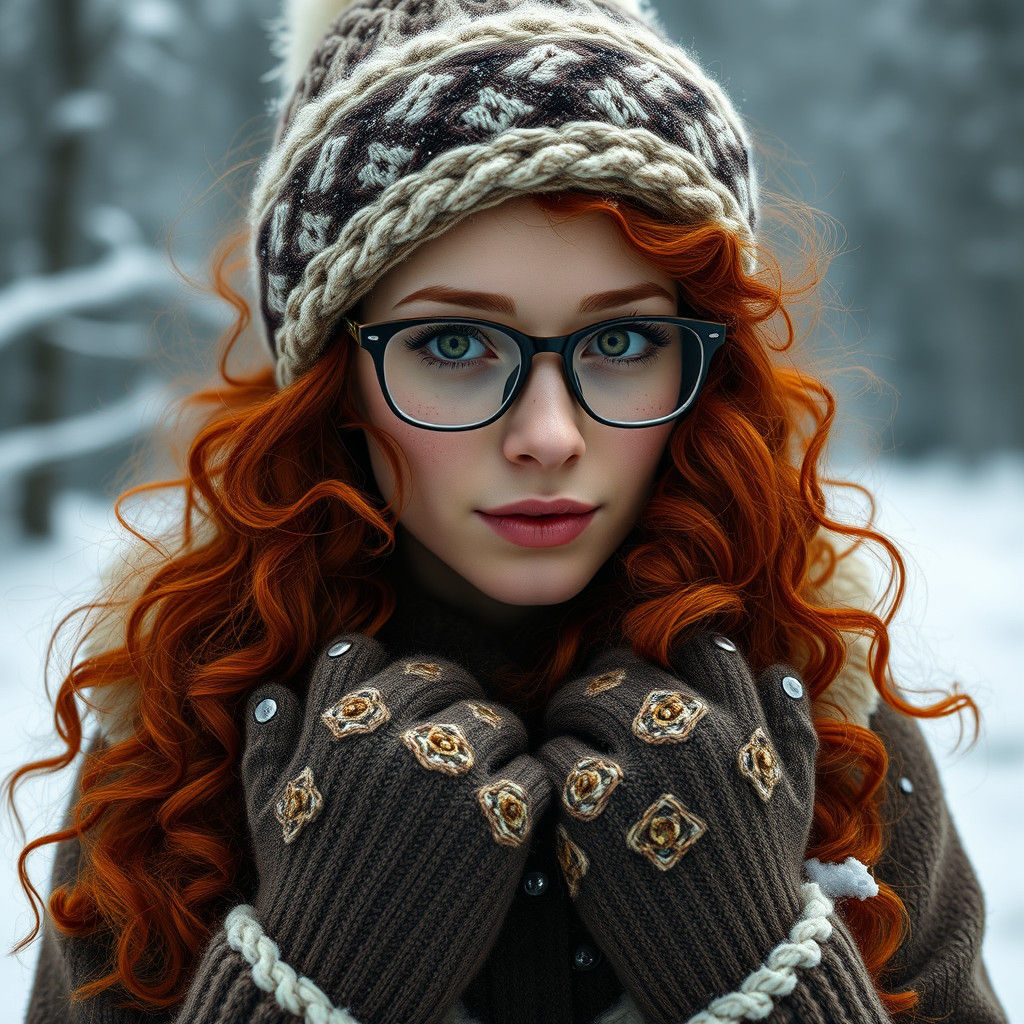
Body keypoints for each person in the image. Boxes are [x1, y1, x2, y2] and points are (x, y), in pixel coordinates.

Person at [7, 0, 1008, 1022]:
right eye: (453, 344)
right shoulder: (184, 741)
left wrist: (760, 970)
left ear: (706, 370)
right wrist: (306, 978)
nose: (549, 435)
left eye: (620, 343)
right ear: (335, 381)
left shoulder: (823, 715)